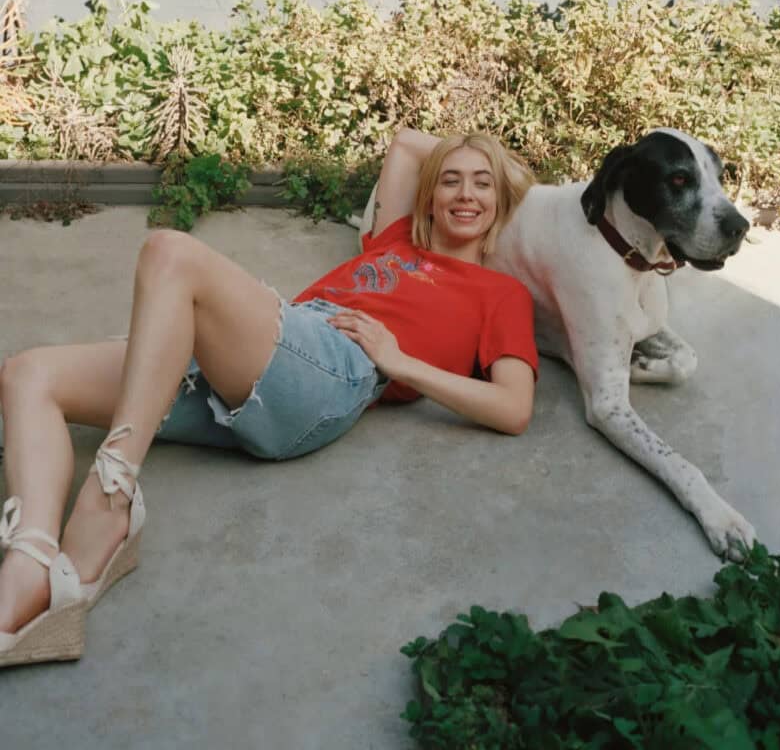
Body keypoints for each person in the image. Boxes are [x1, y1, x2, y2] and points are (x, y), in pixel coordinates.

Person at [0, 127, 539, 667]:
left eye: (483, 185)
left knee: (171, 253)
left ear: (502, 202)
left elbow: (514, 408)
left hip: (334, 369)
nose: (466, 195)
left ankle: (109, 504)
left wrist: (401, 364)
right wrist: (482, 156)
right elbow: (404, 144)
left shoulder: (501, 294)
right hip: (262, 351)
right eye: (451, 182)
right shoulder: (396, 236)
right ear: (429, 194)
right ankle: (32, 561)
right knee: (28, 375)